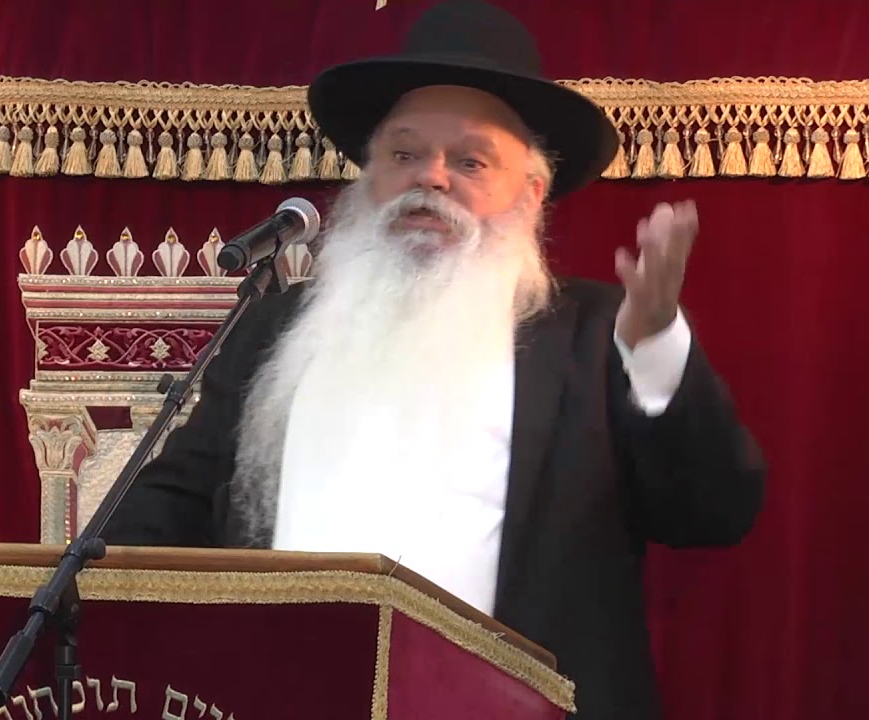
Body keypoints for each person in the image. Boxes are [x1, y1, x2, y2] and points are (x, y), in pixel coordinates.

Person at [100, 1, 766, 718]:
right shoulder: (276, 328)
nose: (432, 178)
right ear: (368, 176)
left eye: (470, 160)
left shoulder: (597, 334)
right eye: (404, 154)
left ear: (531, 193)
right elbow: (167, 512)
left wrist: (654, 347)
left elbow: (713, 512)